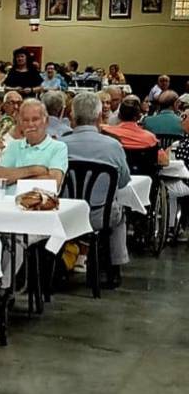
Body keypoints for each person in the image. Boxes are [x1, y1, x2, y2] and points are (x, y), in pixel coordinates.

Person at [63, 92, 131, 285]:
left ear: (72, 117)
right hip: (100, 215)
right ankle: (113, 267)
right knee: (120, 214)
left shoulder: (60, 145)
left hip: (66, 216)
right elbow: (123, 181)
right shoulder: (113, 146)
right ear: (100, 117)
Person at [0, 98, 69, 190]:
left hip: (41, 203)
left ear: (46, 122)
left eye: (35, 119)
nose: (30, 124)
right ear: (20, 124)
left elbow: (53, 183)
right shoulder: (13, 145)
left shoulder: (58, 147)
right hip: (7, 202)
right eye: (25, 120)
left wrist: (14, 178)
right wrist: (35, 170)